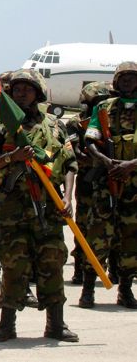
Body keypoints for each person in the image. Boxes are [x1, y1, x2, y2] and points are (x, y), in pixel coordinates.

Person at [0, 69, 78, 342]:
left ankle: (56, 324)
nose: (22, 93)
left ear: (38, 92)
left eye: (28, 88)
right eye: (17, 89)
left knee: (53, 264)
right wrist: (12, 157)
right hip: (13, 209)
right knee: (13, 266)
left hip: (48, 208)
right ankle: (6, 324)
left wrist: (67, 198)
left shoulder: (55, 125)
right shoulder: (2, 125)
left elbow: (70, 165)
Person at [83, 62, 137, 309]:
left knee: (131, 238)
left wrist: (129, 165)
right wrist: (105, 161)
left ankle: (125, 290)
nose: (127, 81)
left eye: (132, 77)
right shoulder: (104, 108)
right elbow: (91, 139)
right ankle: (88, 289)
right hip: (107, 181)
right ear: (116, 81)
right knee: (97, 235)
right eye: (123, 77)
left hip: (133, 183)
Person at [65, 81, 111, 287]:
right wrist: (98, 160)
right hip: (87, 182)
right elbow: (74, 154)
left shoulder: (110, 120)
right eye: (96, 101)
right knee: (83, 225)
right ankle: (79, 269)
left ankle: (115, 269)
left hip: (110, 179)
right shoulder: (76, 123)